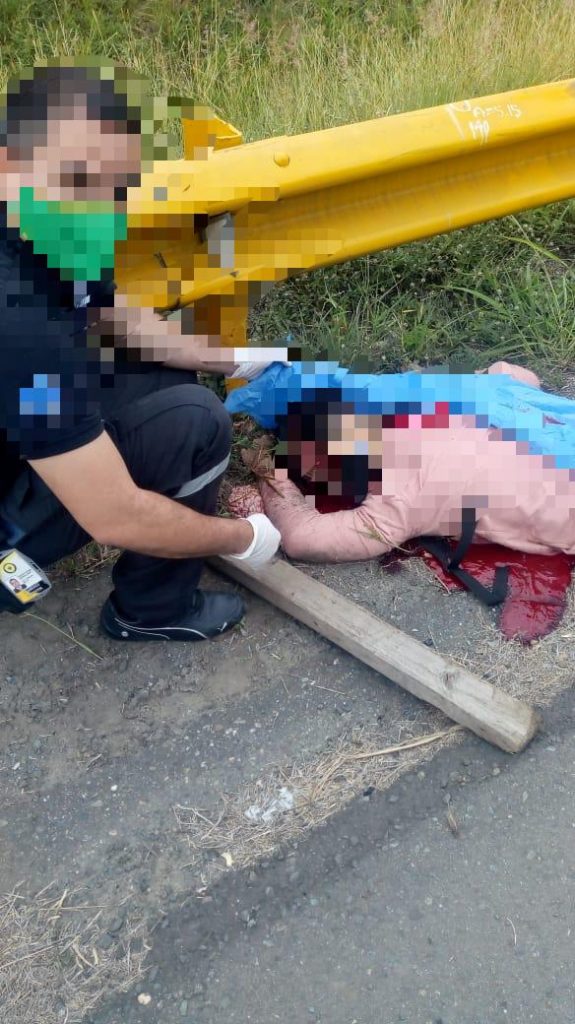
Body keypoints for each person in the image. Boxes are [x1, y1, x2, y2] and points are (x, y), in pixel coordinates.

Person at [0, 61, 282, 641]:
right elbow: (114, 515)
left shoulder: (50, 227)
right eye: (76, 179)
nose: (100, 207)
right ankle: (150, 611)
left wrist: (230, 359)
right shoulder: (18, 320)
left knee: (167, 382)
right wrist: (244, 538)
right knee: (195, 421)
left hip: (23, 405)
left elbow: (112, 315)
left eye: (116, 189)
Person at [245, 361, 575, 564]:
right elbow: (516, 373)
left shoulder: (399, 497)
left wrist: (265, 467)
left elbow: (301, 537)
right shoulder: (445, 393)